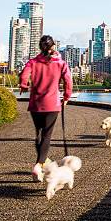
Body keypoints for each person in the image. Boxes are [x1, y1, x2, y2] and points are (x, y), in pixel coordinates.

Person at [19, 35, 72, 181]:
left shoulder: (33, 62)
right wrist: (66, 97)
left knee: (39, 133)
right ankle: (39, 164)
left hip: (36, 103)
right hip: (52, 104)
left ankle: (41, 163)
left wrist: (24, 85)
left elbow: (24, 75)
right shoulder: (60, 63)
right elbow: (68, 80)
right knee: (47, 135)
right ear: (53, 46)